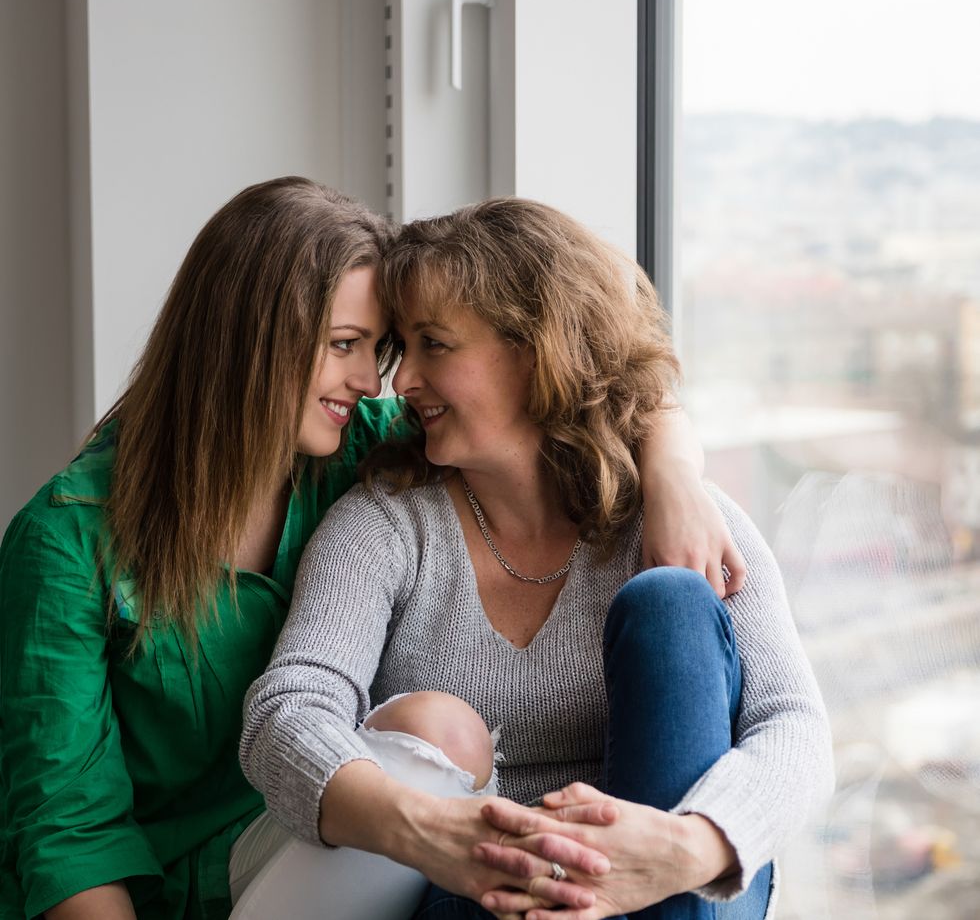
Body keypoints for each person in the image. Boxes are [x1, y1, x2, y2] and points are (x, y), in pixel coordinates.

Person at [0, 179, 737, 920]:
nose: (372, 379)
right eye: (345, 346)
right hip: (167, 894)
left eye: (379, 349)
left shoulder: (364, 449)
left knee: (434, 735)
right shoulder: (65, 541)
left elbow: (582, 381)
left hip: (317, 852)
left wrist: (672, 472)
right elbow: (69, 838)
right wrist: (430, 832)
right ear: (246, 343)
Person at [237, 197, 835, 920]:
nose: (400, 382)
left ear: (533, 349)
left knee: (671, 603)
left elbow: (796, 728)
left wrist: (686, 845)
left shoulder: (686, 519)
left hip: (678, 883)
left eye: (435, 344)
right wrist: (436, 834)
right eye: (406, 348)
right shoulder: (385, 528)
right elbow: (287, 713)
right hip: (484, 895)